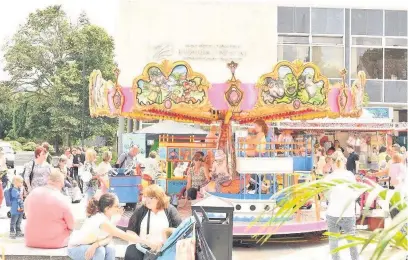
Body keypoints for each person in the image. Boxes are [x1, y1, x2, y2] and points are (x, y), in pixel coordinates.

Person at [68, 193, 155, 260]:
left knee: (110, 248)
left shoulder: (109, 218)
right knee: (100, 251)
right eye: (116, 206)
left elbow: (109, 238)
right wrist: (147, 242)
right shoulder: (101, 220)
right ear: (107, 208)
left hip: (91, 245)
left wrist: (96, 244)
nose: (119, 208)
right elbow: (124, 236)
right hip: (75, 248)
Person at [125, 185, 182, 260]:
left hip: (164, 247)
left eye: (151, 198)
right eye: (145, 197)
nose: (147, 200)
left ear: (159, 198)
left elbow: (179, 230)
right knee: (132, 254)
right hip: (142, 246)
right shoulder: (140, 210)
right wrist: (143, 241)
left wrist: (164, 242)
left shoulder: (170, 210)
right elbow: (130, 231)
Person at [24, 170, 74, 248]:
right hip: (56, 242)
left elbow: (26, 212)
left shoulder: (33, 193)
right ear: (60, 182)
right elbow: (72, 225)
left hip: (31, 240)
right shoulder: (62, 198)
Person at [325, 151, 359, 260]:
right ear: (344, 162)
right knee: (351, 241)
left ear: (332, 162)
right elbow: (355, 192)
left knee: (333, 241)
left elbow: (327, 195)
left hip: (333, 213)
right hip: (348, 213)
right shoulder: (350, 175)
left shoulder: (329, 177)